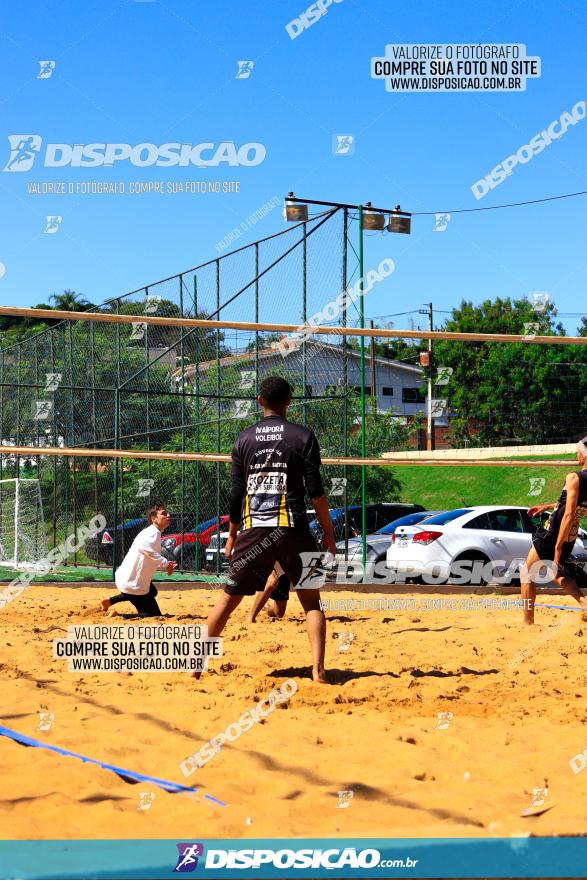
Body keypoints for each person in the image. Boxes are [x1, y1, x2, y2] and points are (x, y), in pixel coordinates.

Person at [199, 375, 336, 682]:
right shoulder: (303, 436)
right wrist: (328, 532)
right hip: (295, 527)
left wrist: (232, 534)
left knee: (227, 600)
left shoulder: (243, 440)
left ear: (260, 401)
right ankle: (318, 671)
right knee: (312, 601)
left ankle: (196, 667)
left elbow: (236, 494)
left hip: (254, 530)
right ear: (290, 401)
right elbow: (316, 492)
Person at [521, 436, 587, 624]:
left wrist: (557, 547)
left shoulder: (574, 477)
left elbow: (568, 514)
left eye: (579, 449)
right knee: (555, 573)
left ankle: (527, 624)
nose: (577, 453)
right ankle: (584, 604)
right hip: (571, 532)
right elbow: (570, 506)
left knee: (527, 573)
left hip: (556, 531)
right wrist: (546, 506)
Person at [101, 503, 177, 616]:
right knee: (153, 615)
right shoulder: (153, 533)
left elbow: (150, 558)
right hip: (133, 584)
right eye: (164, 514)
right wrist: (166, 563)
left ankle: (110, 601)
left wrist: (166, 565)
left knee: (152, 591)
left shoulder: (153, 532)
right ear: (154, 519)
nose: (168, 515)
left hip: (127, 579)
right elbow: (145, 549)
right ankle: (119, 615)